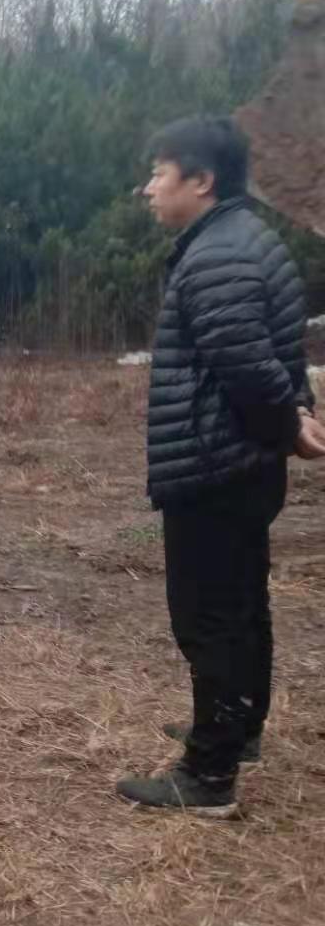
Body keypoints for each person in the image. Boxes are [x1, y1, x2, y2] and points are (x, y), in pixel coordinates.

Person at [116, 116, 325, 816]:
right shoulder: (245, 240)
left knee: (208, 616)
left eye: (159, 174)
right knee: (241, 603)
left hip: (215, 465)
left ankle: (208, 775)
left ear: (201, 180)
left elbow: (250, 366)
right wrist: (295, 414)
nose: (148, 189)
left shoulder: (217, 258)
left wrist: (289, 424)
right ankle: (237, 729)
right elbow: (282, 355)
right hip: (239, 461)